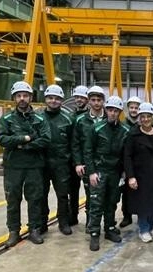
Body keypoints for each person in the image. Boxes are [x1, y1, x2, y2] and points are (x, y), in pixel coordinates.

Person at [0, 81, 50, 247]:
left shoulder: (40, 119)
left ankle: (34, 229)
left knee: (35, 199)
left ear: (30, 98)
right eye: (19, 96)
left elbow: (46, 140)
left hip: (34, 166)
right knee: (13, 199)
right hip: (13, 166)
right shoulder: (6, 119)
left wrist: (23, 146)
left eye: (25, 96)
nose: (22, 99)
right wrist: (24, 138)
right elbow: (2, 139)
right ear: (14, 98)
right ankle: (14, 231)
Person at [85, 96, 130, 251]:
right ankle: (94, 233)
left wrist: (124, 172)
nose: (112, 113)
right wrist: (91, 172)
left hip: (115, 173)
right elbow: (88, 151)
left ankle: (109, 229)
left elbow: (126, 154)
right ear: (106, 110)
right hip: (99, 172)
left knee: (112, 202)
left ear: (120, 112)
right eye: (110, 110)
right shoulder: (96, 128)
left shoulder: (125, 130)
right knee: (96, 203)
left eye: (115, 111)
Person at [123, 102, 153, 243]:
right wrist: (131, 176)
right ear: (139, 118)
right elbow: (127, 156)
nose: (145, 119)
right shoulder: (133, 134)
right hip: (140, 174)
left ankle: (151, 227)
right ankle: (144, 229)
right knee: (142, 203)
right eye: (143, 116)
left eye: (148, 116)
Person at [40, 84, 74, 236]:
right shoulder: (37, 118)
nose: (53, 101)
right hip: (41, 163)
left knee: (62, 195)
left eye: (57, 98)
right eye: (50, 98)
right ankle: (42, 223)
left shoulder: (68, 119)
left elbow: (74, 143)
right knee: (41, 194)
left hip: (61, 164)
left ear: (61, 101)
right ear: (46, 99)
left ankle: (63, 222)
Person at [72, 85, 106, 228]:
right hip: (88, 164)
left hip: (105, 165)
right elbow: (75, 144)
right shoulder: (81, 120)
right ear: (89, 101)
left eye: (99, 100)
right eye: (93, 100)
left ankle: (107, 222)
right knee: (90, 195)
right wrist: (78, 163)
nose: (96, 103)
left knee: (106, 196)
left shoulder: (109, 117)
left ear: (103, 101)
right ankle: (90, 223)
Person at [120, 95, 142, 228]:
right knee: (125, 192)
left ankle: (141, 215)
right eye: (132, 107)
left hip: (140, 164)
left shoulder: (143, 125)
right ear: (127, 109)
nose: (134, 110)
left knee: (140, 191)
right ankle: (126, 216)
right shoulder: (123, 125)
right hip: (125, 163)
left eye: (136, 108)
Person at [68, 85, 89, 226]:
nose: (79, 100)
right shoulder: (70, 117)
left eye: (82, 97)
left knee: (91, 192)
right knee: (72, 191)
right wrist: (75, 162)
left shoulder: (90, 117)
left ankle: (90, 219)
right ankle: (72, 217)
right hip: (73, 161)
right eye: (77, 97)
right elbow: (71, 142)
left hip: (88, 160)